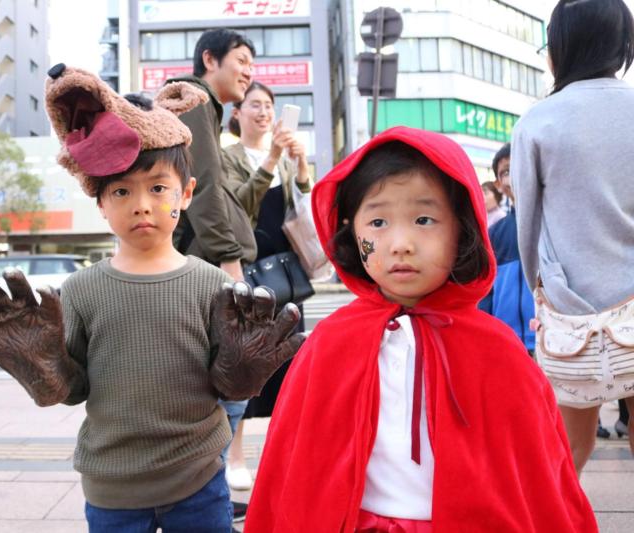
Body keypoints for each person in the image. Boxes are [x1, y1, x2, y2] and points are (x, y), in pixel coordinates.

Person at [0, 65, 304, 533]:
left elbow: (223, 382)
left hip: (199, 479)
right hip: (112, 485)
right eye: (120, 190)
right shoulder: (80, 290)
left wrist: (240, 375)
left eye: (158, 187)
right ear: (100, 202)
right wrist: (45, 370)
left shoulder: (211, 283)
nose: (141, 203)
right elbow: (74, 388)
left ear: (186, 193)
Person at [245, 126, 597, 532]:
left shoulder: (496, 349)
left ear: (462, 228)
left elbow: (540, 479)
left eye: (424, 219)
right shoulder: (330, 342)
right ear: (351, 230)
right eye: (377, 221)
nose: (400, 243)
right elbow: (293, 474)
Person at [511, 0, 634, 475]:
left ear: (559, 46)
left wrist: (540, 291)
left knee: (567, 452)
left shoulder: (539, 121)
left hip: (572, 310)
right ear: (622, 43)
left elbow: (528, 230)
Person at [165, 29, 259, 519]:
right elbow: (200, 191)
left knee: (222, 384)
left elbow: (219, 194)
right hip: (209, 263)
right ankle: (207, 500)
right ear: (209, 59)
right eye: (241, 60)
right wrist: (230, 263)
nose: (248, 71)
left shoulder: (204, 109)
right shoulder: (195, 99)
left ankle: (210, 495)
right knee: (229, 384)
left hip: (206, 258)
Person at [220, 81, 312, 491]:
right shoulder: (226, 157)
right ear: (236, 114)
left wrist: (302, 167)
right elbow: (239, 209)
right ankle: (235, 457)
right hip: (249, 270)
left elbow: (304, 213)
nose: (263, 111)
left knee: (289, 367)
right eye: (254, 104)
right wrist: (271, 160)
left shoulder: (289, 160)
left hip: (287, 275)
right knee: (244, 366)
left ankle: (284, 456)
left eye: (269, 105)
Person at [478, 143, 535, 353]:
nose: (513, 176)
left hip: (548, 341)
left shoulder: (552, 224)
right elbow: (486, 289)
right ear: (499, 184)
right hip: (505, 342)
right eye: (506, 172)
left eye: (519, 167)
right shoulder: (495, 232)